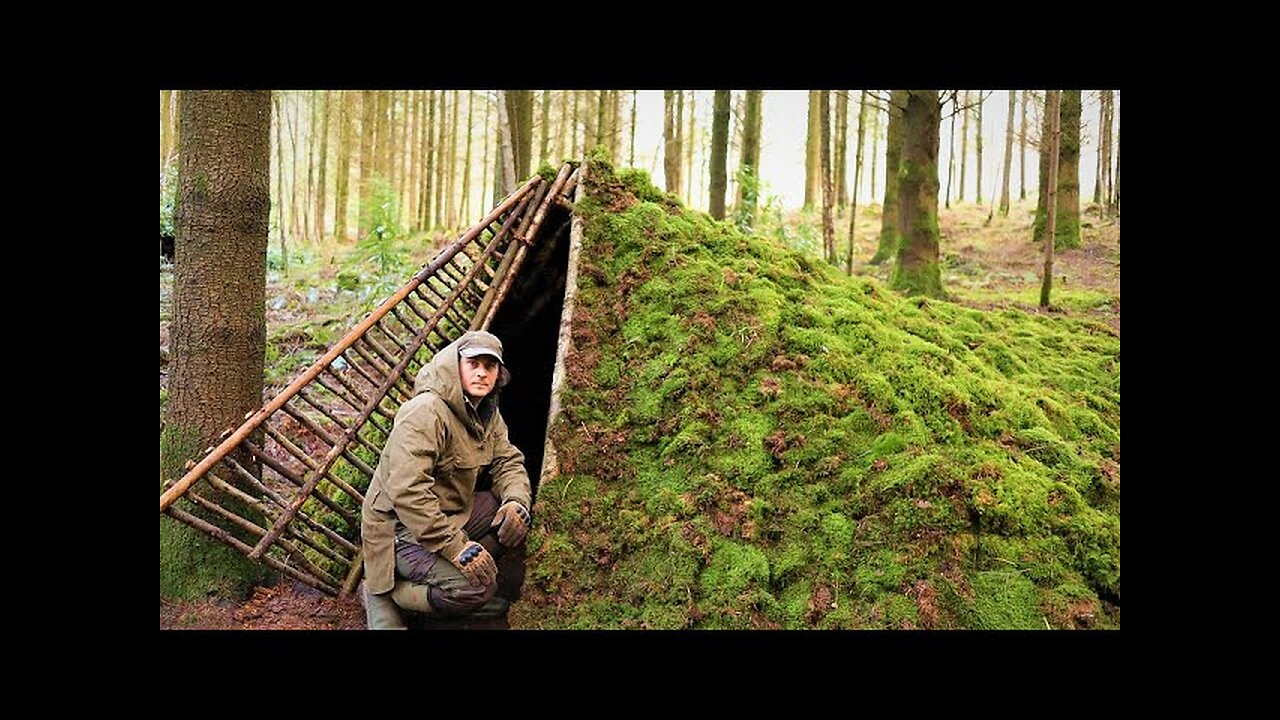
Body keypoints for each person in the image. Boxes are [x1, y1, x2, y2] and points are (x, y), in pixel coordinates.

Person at [359, 330, 532, 629]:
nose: (481, 373)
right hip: (400, 530)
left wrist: (516, 501)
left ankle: (458, 577)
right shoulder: (425, 412)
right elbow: (408, 492)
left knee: (504, 515)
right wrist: (456, 548)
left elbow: (508, 460)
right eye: (473, 364)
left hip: (448, 513)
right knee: (478, 589)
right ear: (456, 366)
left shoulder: (485, 412)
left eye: (489, 366)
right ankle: (389, 593)